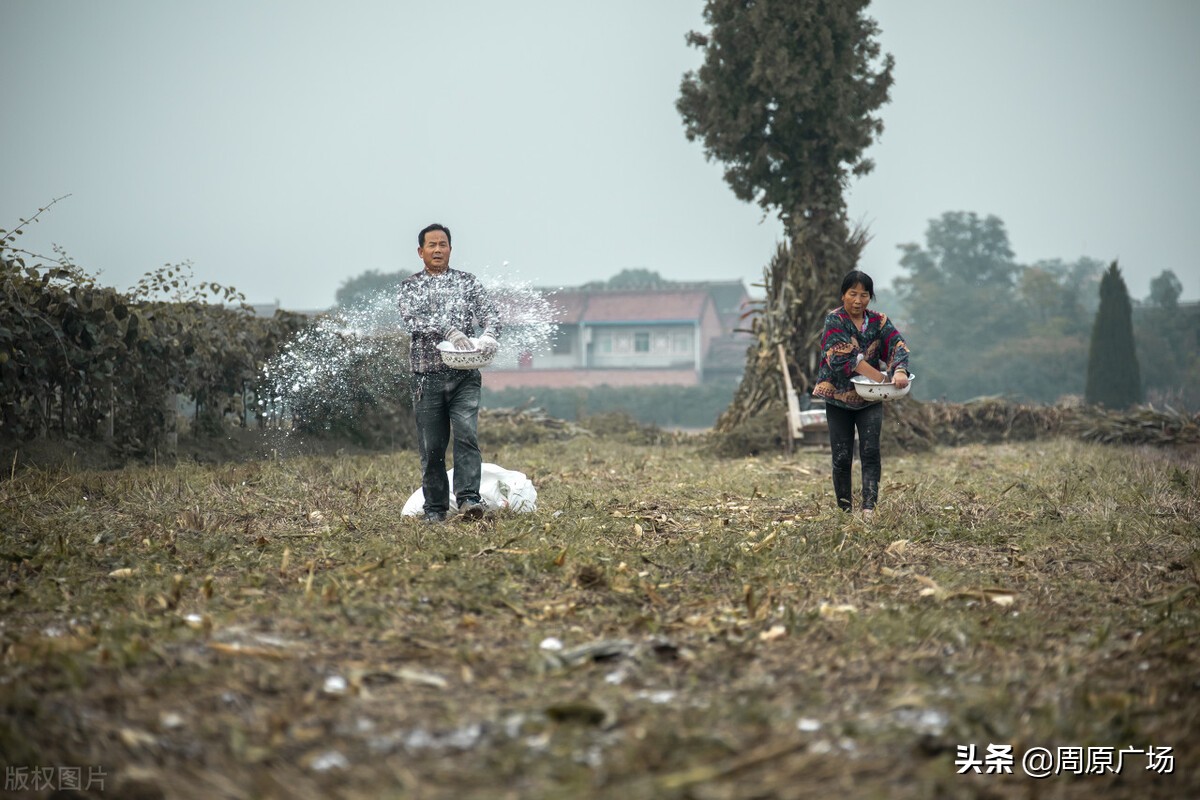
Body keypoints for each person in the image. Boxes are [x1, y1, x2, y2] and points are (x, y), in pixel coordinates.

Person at [398, 223, 501, 523]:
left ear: (451, 249)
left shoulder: (467, 283)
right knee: (432, 446)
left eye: (443, 244)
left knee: (467, 434)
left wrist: (491, 334)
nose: (438, 250)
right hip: (426, 377)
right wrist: (449, 331)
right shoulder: (410, 286)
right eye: (432, 245)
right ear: (421, 252)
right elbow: (413, 319)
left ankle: (469, 499)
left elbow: (489, 314)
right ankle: (435, 509)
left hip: (465, 375)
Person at [812, 270, 910, 517]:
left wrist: (899, 371)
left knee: (870, 452)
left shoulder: (879, 321)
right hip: (838, 399)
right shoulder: (834, 320)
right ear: (843, 295)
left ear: (870, 297)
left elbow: (897, 345)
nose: (858, 300)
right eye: (852, 294)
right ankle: (845, 512)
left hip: (871, 399)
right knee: (842, 457)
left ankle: (869, 510)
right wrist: (881, 377)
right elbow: (844, 359)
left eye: (864, 295)